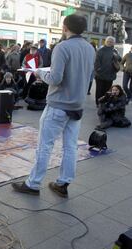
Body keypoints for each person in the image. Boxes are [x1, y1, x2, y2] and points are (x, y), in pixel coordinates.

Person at [12, 14, 95, 198]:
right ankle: (63, 183)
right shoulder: (90, 48)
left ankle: (33, 184)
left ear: (65, 27)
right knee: (70, 147)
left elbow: (55, 78)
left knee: (45, 146)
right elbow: (88, 76)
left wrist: (40, 72)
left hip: (58, 105)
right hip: (77, 106)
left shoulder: (62, 47)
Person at [94, 36, 122, 106]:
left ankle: (104, 102)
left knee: (107, 90)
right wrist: (98, 69)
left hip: (110, 74)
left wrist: (117, 56)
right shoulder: (101, 50)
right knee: (99, 90)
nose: (110, 43)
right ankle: (98, 102)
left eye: (111, 42)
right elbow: (96, 61)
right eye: (108, 41)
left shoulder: (115, 50)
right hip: (100, 74)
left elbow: (120, 59)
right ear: (105, 42)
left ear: (113, 43)